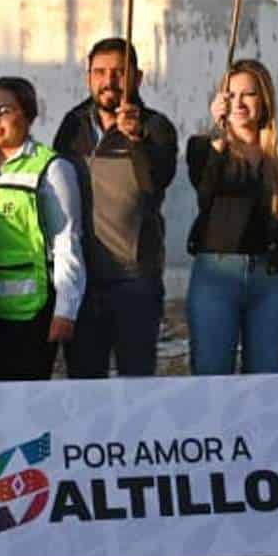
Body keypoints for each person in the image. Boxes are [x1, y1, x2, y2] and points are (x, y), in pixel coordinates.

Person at [51, 39, 179, 378]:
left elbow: (155, 184)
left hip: (135, 279)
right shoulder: (73, 125)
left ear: (138, 77)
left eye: (119, 73)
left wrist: (136, 141)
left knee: (136, 383)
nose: (109, 81)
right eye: (99, 72)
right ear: (88, 77)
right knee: (84, 383)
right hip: (83, 279)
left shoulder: (157, 127)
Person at [185, 59, 278, 375]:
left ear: (264, 100)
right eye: (231, 95)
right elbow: (206, 194)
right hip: (216, 276)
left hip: (271, 281)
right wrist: (219, 139)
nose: (239, 103)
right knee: (211, 377)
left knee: (266, 381)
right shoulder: (203, 149)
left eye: (249, 94)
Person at [0, 77, 85, 381]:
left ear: (28, 115)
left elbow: (66, 242)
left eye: (4, 110)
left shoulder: (51, 168)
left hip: (30, 312)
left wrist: (65, 310)